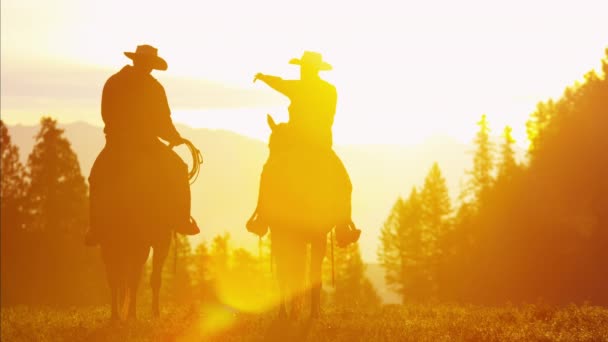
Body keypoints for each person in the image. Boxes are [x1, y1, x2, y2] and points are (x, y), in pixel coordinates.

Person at [85, 44, 199, 246]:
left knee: (97, 177)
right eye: (148, 63)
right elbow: (163, 122)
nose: (148, 67)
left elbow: (106, 115)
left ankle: (96, 228)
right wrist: (174, 137)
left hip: (116, 145)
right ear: (144, 63)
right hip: (147, 146)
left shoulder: (114, 82)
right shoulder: (154, 88)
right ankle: (183, 220)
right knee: (180, 169)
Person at [247, 51, 360, 247]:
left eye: (304, 68)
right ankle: (343, 226)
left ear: (310, 69)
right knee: (344, 183)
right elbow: (283, 84)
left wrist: (265, 78)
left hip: (298, 144)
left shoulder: (300, 88)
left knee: (269, 173)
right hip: (321, 146)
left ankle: (261, 216)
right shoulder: (328, 90)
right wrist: (266, 78)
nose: (302, 71)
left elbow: (281, 84)